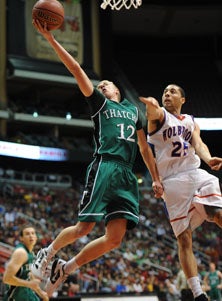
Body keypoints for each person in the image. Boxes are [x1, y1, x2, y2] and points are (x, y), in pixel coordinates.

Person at [31, 19, 163, 297]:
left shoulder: (133, 111)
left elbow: (144, 148)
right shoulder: (99, 104)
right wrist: (52, 40)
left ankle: (65, 268)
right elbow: (76, 68)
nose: (102, 85)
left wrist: (156, 178)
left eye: (107, 84)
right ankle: (48, 252)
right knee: (85, 227)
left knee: (115, 239)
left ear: (117, 90)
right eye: (100, 84)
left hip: (127, 174)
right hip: (105, 165)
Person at [139, 84, 222, 301]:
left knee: (218, 213)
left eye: (172, 91)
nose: (167, 93)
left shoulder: (190, 120)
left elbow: (199, 143)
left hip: (195, 172)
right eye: (165, 91)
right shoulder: (159, 116)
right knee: (184, 239)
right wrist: (151, 105)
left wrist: (208, 158)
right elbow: (153, 113)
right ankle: (198, 294)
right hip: (172, 182)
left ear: (183, 100)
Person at [3, 224, 48, 301]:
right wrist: (29, 284)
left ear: (36, 237)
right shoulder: (21, 253)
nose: (31, 236)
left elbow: (29, 275)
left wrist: (40, 292)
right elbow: (7, 279)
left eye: (33, 233)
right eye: (27, 234)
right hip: (14, 297)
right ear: (21, 238)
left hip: (26, 294)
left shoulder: (31, 253)